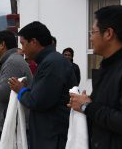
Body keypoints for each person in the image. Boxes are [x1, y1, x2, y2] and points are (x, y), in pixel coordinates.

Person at [68, 5, 122, 149]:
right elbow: (110, 104)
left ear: (108, 33)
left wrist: (86, 106)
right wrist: (83, 101)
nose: (90, 38)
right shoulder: (108, 64)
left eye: (93, 32)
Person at [8, 21, 77, 149]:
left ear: (34, 42)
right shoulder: (48, 61)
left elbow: (38, 101)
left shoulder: (53, 63)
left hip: (52, 136)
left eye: (23, 43)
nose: (22, 49)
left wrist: (21, 90)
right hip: (47, 133)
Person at [0, 30, 32, 131]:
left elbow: (2, 94)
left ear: (2, 45)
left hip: (14, 125)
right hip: (14, 122)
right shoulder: (12, 59)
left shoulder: (12, 62)